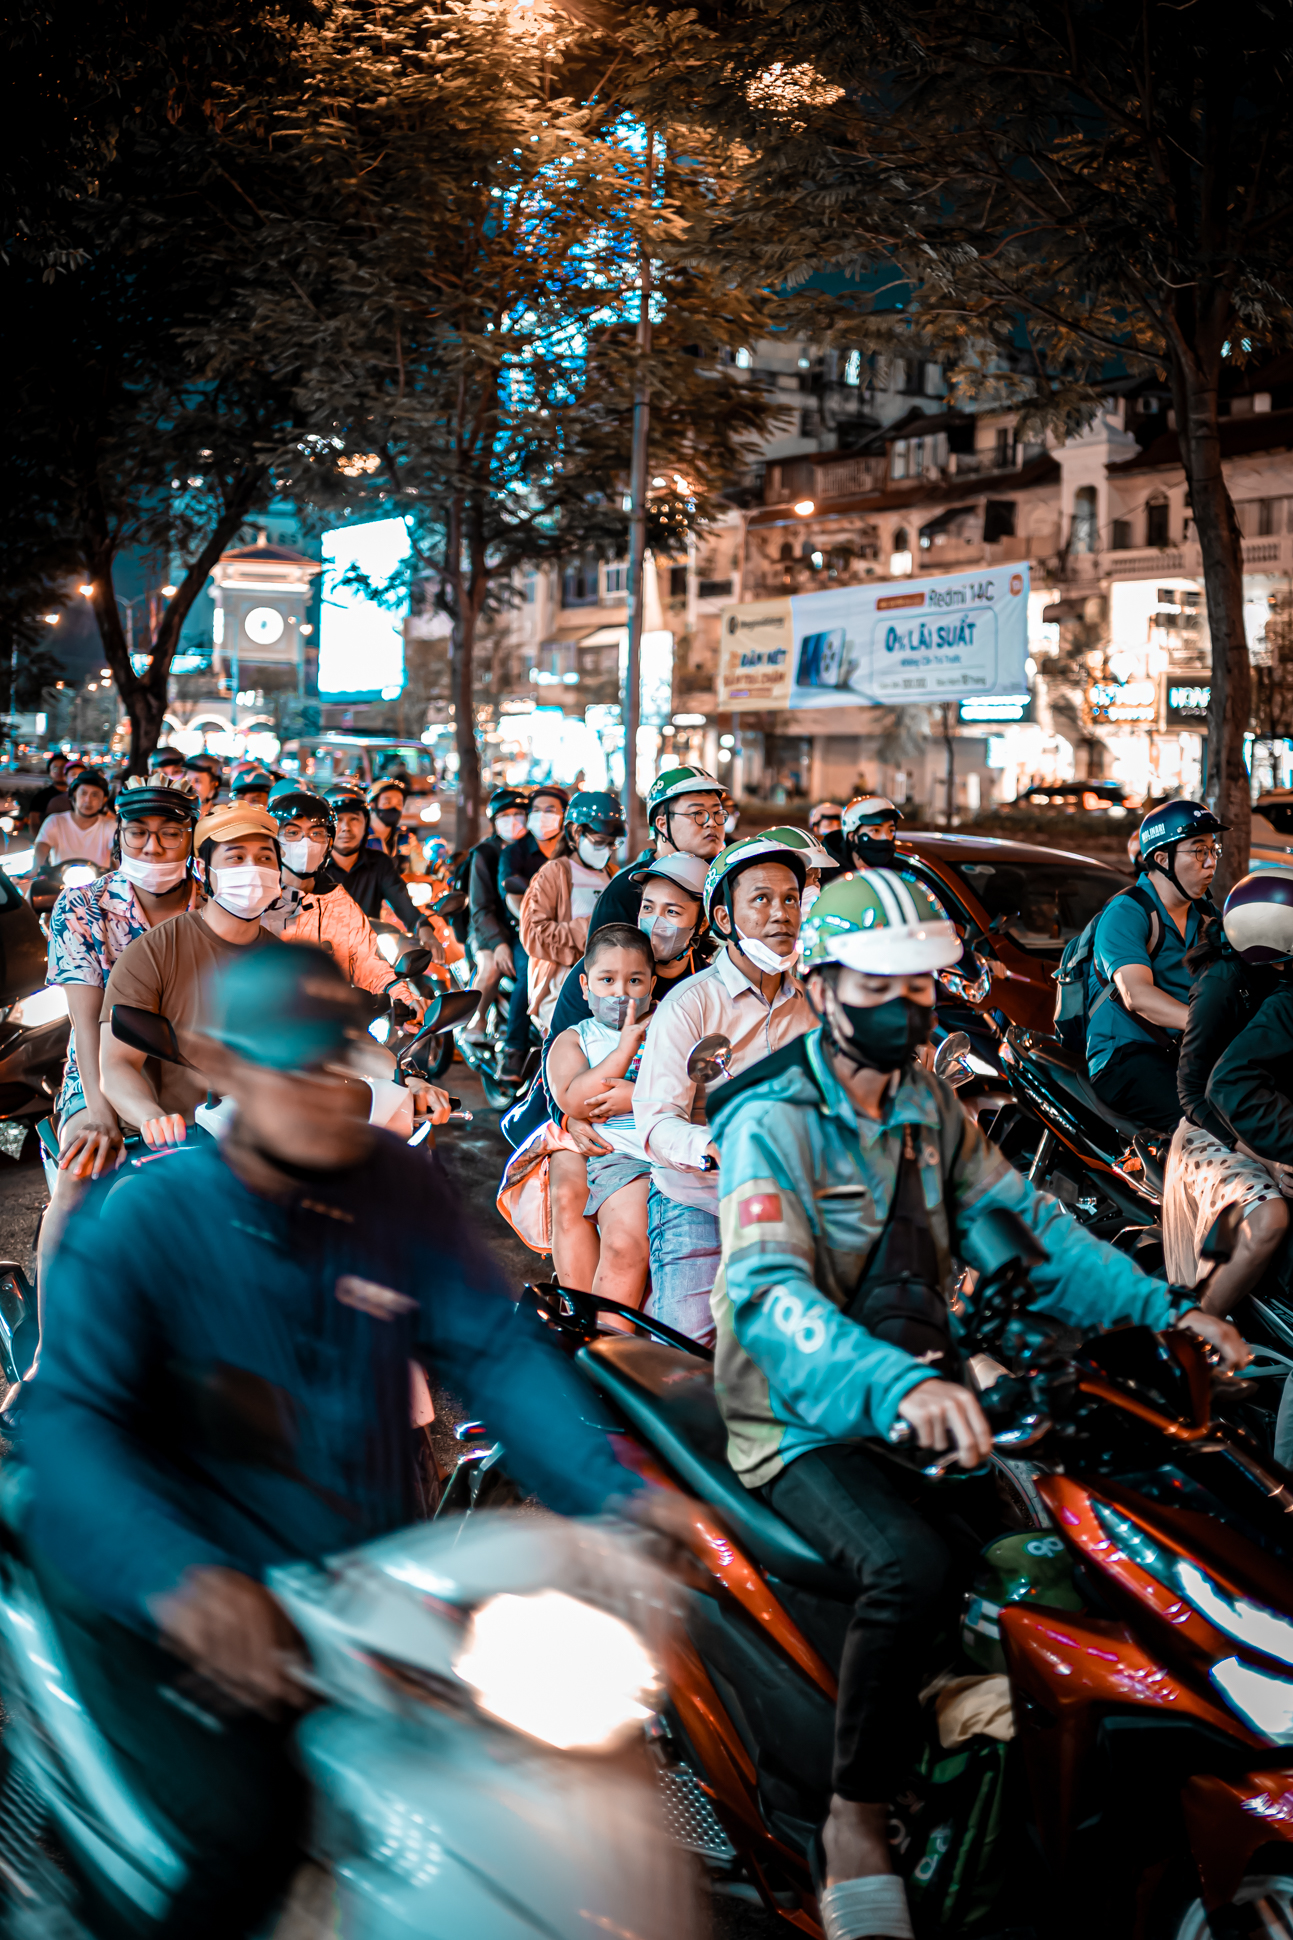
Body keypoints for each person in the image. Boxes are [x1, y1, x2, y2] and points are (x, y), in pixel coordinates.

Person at [21, 941, 684, 1939]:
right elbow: (72, 1425)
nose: (327, 1087)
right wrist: (183, 1582)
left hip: (350, 1586)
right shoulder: (147, 1216)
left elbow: (490, 1347)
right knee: (243, 1832)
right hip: (165, 1594)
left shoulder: (393, 1186)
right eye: (294, 1065)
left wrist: (614, 1491)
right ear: (224, 1066)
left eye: (337, 1058)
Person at [705, 869, 1250, 1940]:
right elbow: (772, 1301)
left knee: (1058, 1561)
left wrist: (1171, 1312)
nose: (905, 1006)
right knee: (912, 1564)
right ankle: (854, 1820)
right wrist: (902, 1383)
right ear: (820, 987)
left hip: (933, 1390)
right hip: (799, 1415)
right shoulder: (773, 1119)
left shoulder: (920, 1103)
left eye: (921, 985)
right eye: (879, 984)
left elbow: (1027, 1226)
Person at [632, 829, 829, 1344]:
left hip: (792, 1203)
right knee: (685, 1353)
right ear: (724, 919)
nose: (781, 914)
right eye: (760, 900)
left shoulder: (816, 1003)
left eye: (790, 899)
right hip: (701, 1204)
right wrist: (712, 1145)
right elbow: (656, 1124)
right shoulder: (689, 1004)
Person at [38, 774, 200, 1288]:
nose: (153, 846)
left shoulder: (221, 901)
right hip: (99, 1070)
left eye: (170, 832)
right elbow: (84, 1021)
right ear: (119, 837)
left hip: (203, 1071)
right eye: (138, 832)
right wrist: (100, 1112)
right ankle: (54, 1350)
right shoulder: (82, 905)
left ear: (192, 836)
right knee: (80, 1177)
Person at [542, 852, 713, 1295]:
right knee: (567, 1197)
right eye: (648, 908)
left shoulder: (706, 986)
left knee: (627, 1239)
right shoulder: (597, 980)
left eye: (673, 911)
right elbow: (561, 1064)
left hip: (661, 1140)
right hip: (594, 1134)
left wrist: (637, 1095)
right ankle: (575, 1315)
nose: (657, 922)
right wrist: (569, 1117)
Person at [98, 800, 285, 1147]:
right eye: (236, 857)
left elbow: (336, 1043)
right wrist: (149, 1115)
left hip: (271, 1139)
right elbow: (117, 1064)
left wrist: (402, 1080)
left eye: (265, 858)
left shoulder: (285, 961)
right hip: (185, 1143)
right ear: (202, 868)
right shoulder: (154, 952)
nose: (253, 869)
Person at [1162, 880, 1291, 1312]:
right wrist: (1262, 1157)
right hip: (1214, 1131)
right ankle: (1196, 1334)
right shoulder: (1222, 984)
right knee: (1270, 1218)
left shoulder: (1281, 977)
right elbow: (1194, 1092)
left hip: (1256, 1114)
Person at [1086, 798, 1224, 1135]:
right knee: (1204, 1126)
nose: (1210, 864)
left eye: (1213, 849)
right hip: (1125, 1055)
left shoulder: (1207, 917)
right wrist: (1209, 1026)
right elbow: (1138, 996)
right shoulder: (1127, 912)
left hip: (1184, 1050)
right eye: (1198, 851)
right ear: (1162, 859)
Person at [547, 924, 655, 1313]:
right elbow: (576, 1100)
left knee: (626, 1245)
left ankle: (607, 1339)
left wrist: (639, 1098)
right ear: (584, 985)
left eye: (634, 980)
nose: (620, 992)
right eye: (606, 980)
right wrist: (626, 1048)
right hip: (604, 1151)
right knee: (580, 1209)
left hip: (653, 1152)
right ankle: (585, 1323)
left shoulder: (669, 1026)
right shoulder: (576, 1038)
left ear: (651, 984)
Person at [261, 782, 428, 1022]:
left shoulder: (339, 903)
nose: (305, 842)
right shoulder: (258, 900)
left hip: (331, 1024)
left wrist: (403, 995)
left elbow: (366, 962)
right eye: (293, 832)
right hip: (267, 1024)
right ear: (274, 840)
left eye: (316, 833)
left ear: (329, 842)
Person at [519, 790, 623, 1033]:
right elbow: (534, 932)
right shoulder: (554, 872)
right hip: (560, 983)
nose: (606, 850)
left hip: (607, 983)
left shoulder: (613, 874)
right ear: (576, 832)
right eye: (599, 842)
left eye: (611, 844)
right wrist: (594, 929)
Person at [585, 765, 726, 939]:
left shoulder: (726, 881)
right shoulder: (625, 891)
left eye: (718, 813)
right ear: (662, 824)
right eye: (698, 813)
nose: (712, 823)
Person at [497, 784, 570, 1084]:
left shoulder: (573, 853)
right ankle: (514, 1049)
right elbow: (512, 896)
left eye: (550, 810)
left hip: (569, 932)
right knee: (528, 972)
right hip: (527, 933)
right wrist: (537, 926)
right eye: (536, 810)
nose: (541, 817)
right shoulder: (515, 853)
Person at [322, 783, 445, 956]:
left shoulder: (380, 863)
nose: (346, 828)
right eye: (338, 820)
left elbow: (404, 905)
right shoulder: (313, 866)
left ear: (366, 823)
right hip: (321, 955)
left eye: (354, 819)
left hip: (367, 952)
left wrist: (427, 933)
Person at [465, 786, 530, 1042]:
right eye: (505, 815)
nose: (513, 820)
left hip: (524, 930)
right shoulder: (484, 854)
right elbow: (480, 908)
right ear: (494, 821)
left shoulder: (533, 852)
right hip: (487, 929)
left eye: (519, 813)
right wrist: (499, 943)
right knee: (490, 967)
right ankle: (475, 1021)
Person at [34, 767, 117, 869]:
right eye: (83, 793)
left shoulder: (111, 826)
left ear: (103, 800)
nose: (88, 800)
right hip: (57, 882)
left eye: (95, 795)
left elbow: (117, 854)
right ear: (74, 795)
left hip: (99, 883)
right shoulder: (55, 821)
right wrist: (36, 868)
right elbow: (42, 846)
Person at [367, 777, 429, 877]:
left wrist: (437, 871)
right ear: (372, 804)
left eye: (399, 804)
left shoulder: (406, 838)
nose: (394, 808)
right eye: (387, 802)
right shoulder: (360, 838)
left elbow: (421, 867)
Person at [839, 795, 903, 872]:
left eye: (891, 830)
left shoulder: (902, 873)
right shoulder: (827, 875)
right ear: (852, 836)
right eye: (876, 830)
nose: (886, 837)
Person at [26, 752, 69, 834]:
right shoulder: (41, 797)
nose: (59, 772)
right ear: (49, 772)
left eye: (63, 768)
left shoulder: (76, 795)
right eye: (55, 769)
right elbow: (34, 824)